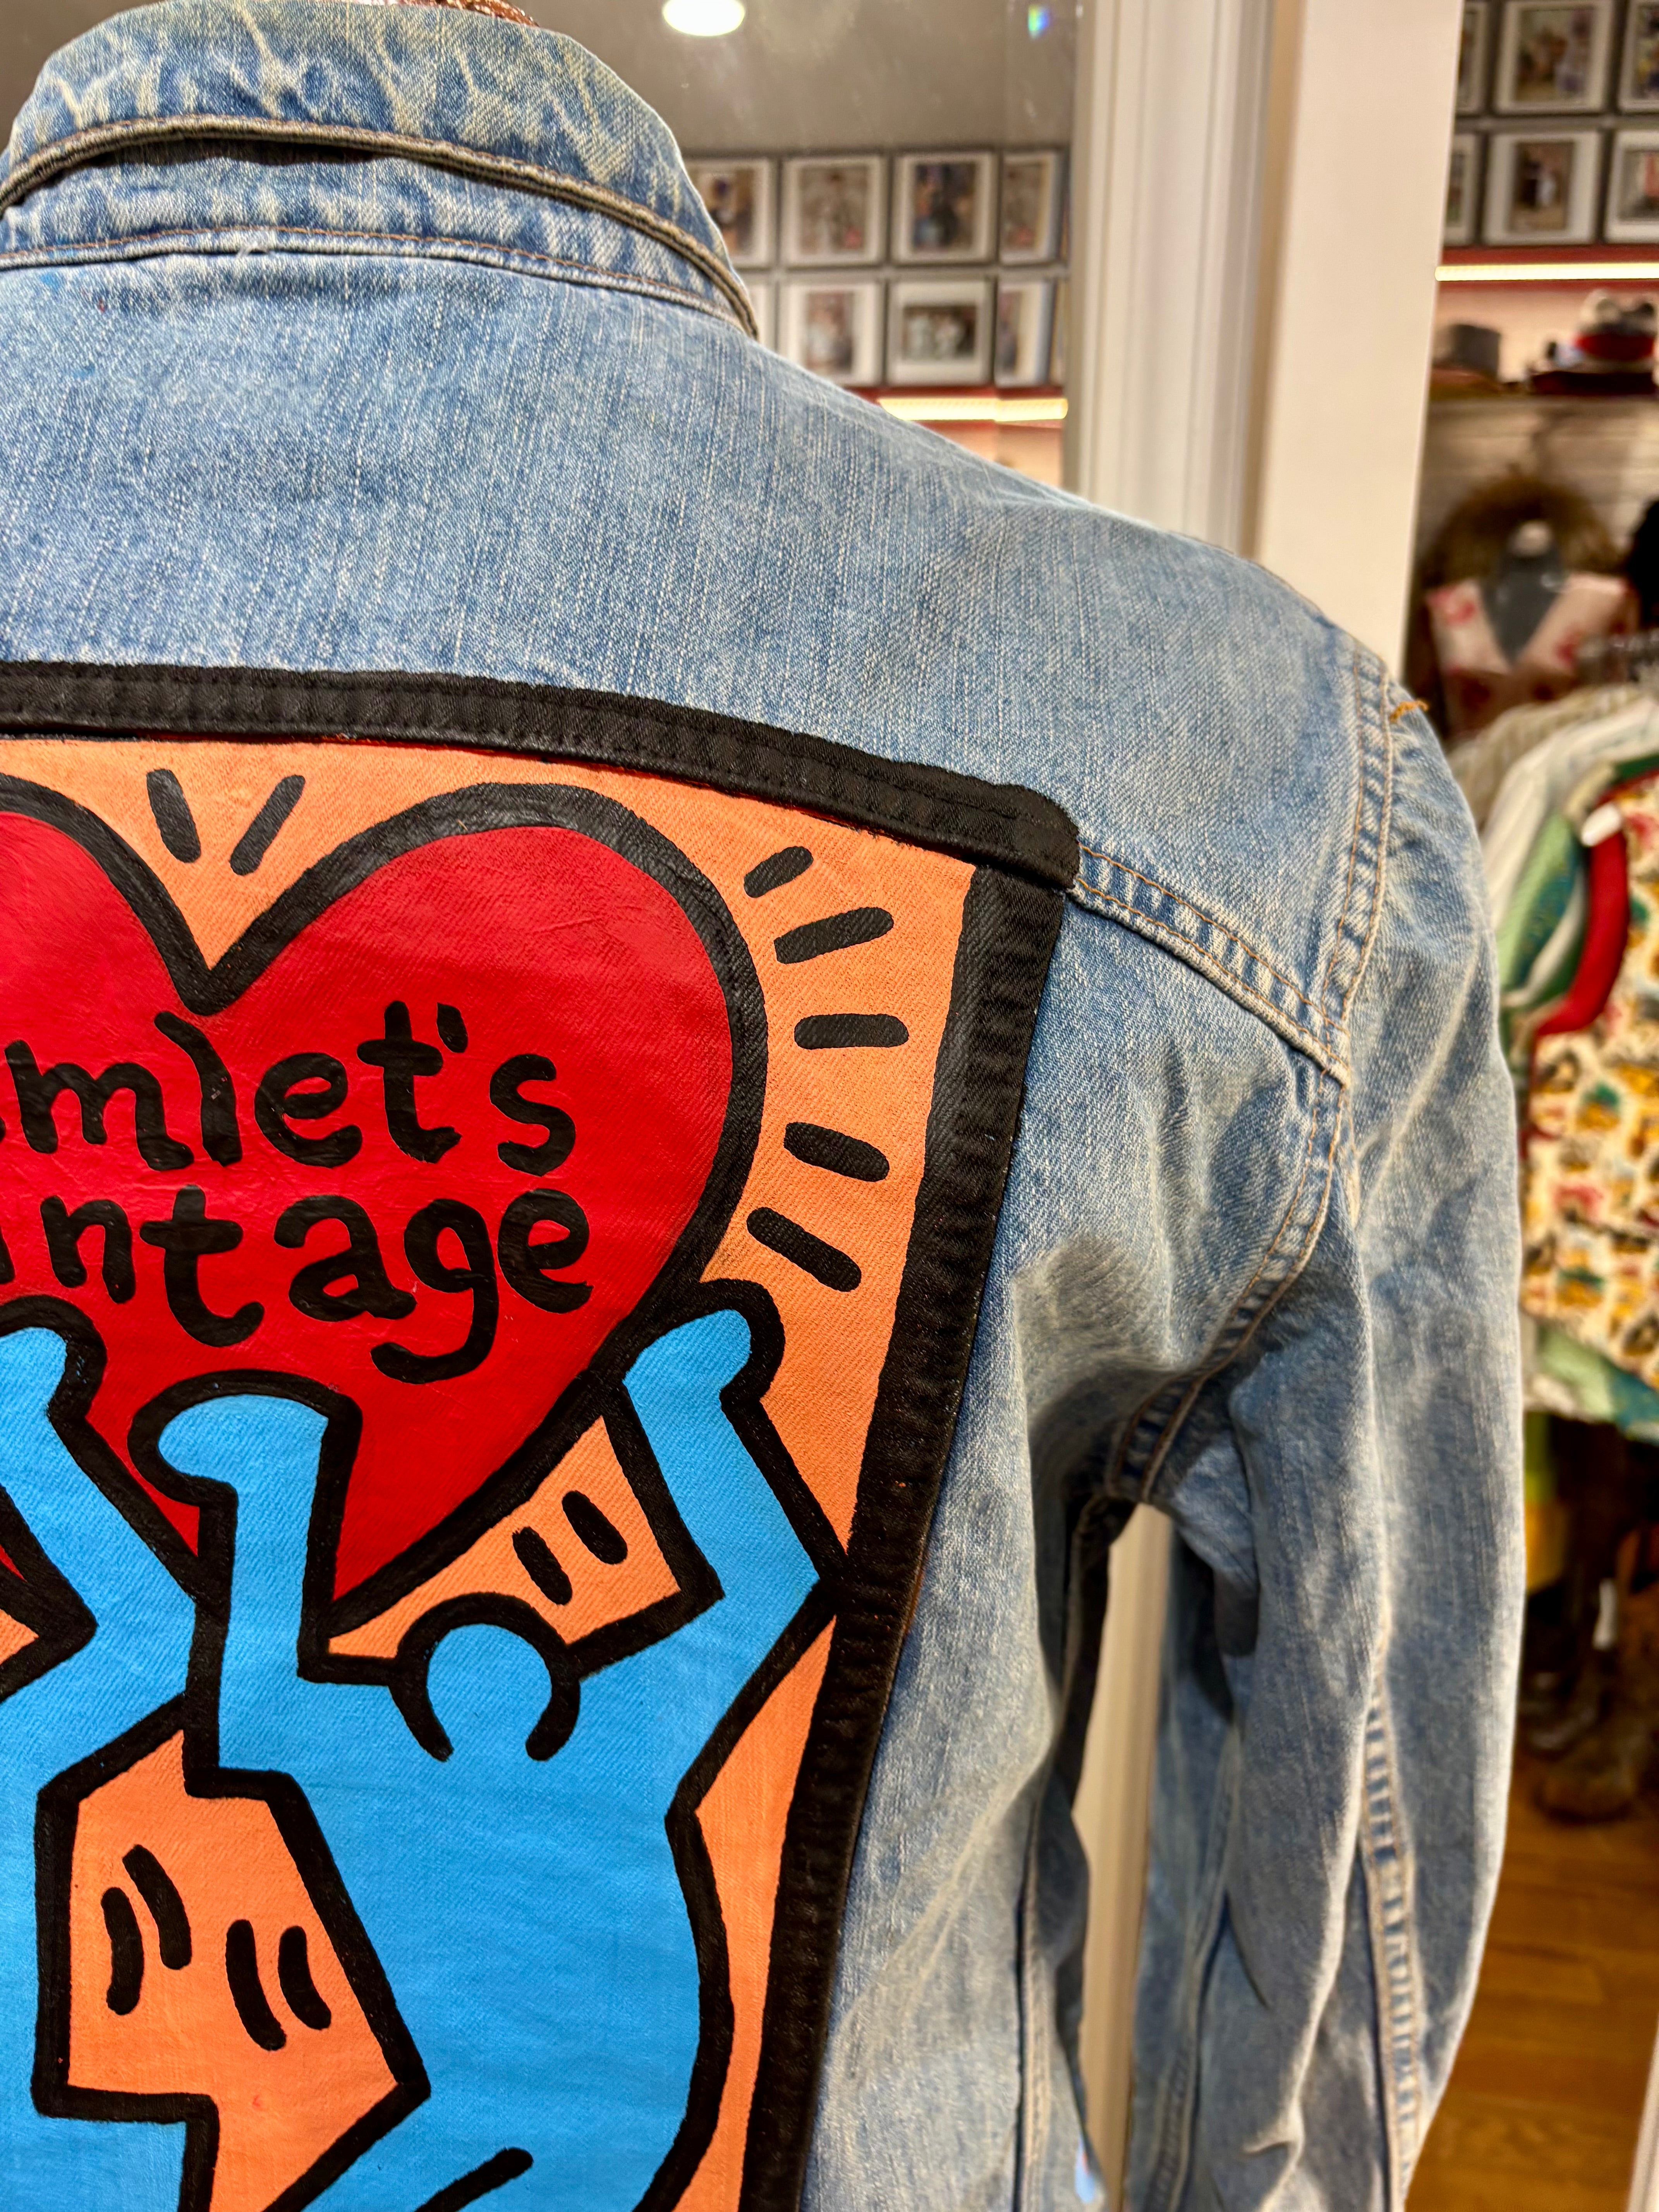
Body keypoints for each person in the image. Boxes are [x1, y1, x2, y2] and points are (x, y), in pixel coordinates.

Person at [0, 4, 1521, 2209]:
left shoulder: (1260, 769)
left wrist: (187, 1468)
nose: (485, 1651)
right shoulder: (1222, 747)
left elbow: (212, 1665)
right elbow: (1348, 1776)